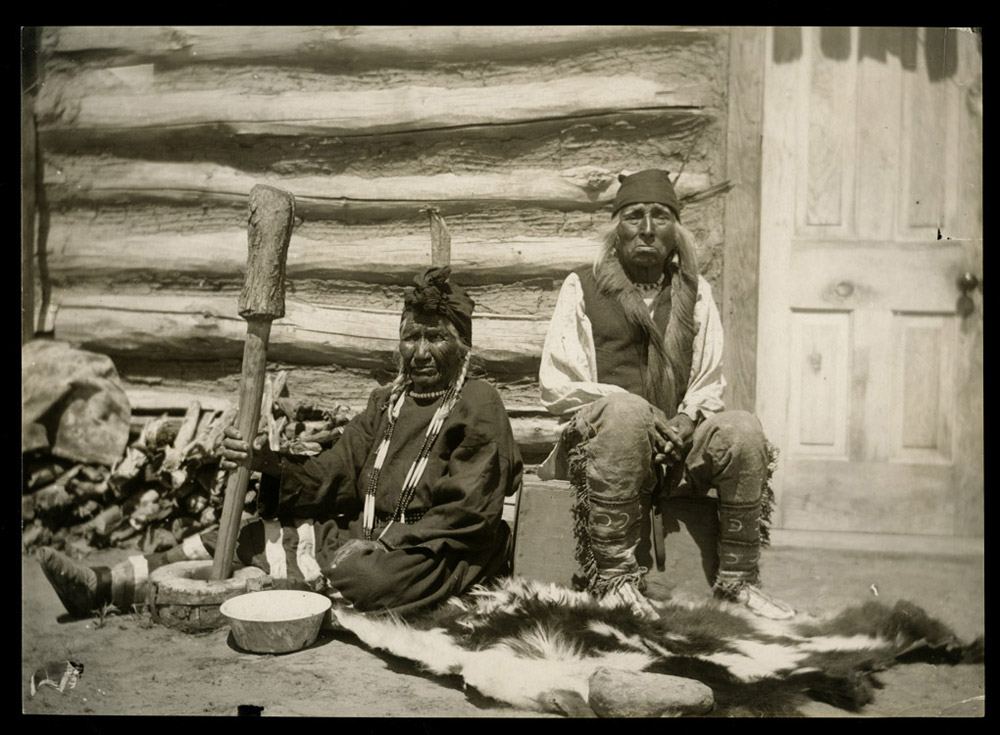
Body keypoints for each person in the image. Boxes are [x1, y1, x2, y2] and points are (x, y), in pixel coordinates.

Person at [38, 266, 523, 619]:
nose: (420, 352)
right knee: (255, 534)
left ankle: (304, 578)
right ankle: (108, 584)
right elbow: (334, 470)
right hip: (369, 539)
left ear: (461, 346)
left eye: (435, 338)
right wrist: (261, 463)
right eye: (410, 337)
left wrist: (387, 545)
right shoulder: (386, 404)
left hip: (435, 555)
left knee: (370, 577)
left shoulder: (478, 404)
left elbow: (468, 511)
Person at [537, 169, 794, 620]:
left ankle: (739, 581)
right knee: (624, 412)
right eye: (635, 216)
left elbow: (708, 382)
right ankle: (615, 580)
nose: (648, 229)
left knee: (742, 429)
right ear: (616, 228)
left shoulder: (696, 294)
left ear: (676, 231)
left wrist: (684, 422)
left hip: (672, 452)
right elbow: (559, 383)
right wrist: (636, 413)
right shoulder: (583, 286)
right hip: (603, 450)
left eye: (661, 217)